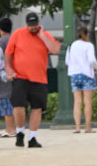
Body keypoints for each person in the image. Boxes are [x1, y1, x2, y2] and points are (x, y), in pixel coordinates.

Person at [5, 11, 60, 148]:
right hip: (20, 77)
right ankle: (20, 133)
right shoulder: (17, 34)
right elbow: (8, 54)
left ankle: (32, 138)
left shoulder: (45, 35)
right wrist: (8, 69)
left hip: (39, 78)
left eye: (35, 25)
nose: (33, 28)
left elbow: (55, 50)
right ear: (26, 24)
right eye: (30, 25)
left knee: (37, 108)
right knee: (19, 106)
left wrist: (42, 35)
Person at [67, 25, 97, 133]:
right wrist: (96, 68)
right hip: (86, 74)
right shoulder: (88, 45)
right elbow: (91, 60)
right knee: (87, 101)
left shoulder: (71, 45)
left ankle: (77, 127)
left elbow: (67, 61)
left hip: (74, 74)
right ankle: (87, 127)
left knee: (77, 101)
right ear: (86, 34)